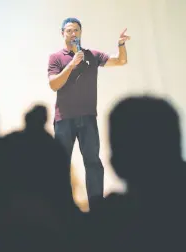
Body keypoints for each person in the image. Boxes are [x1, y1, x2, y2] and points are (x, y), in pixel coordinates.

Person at [47, 17, 130, 209]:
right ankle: (61, 206)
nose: (73, 34)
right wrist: (71, 65)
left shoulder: (92, 55)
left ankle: (97, 207)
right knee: (61, 165)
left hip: (88, 118)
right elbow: (54, 84)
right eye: (69, 30)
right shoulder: (56, 58)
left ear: (81, 32)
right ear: (62, 34)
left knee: (93, 162)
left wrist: (121, 45)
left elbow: (120, 61)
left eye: (76, 30)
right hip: (64, 119)